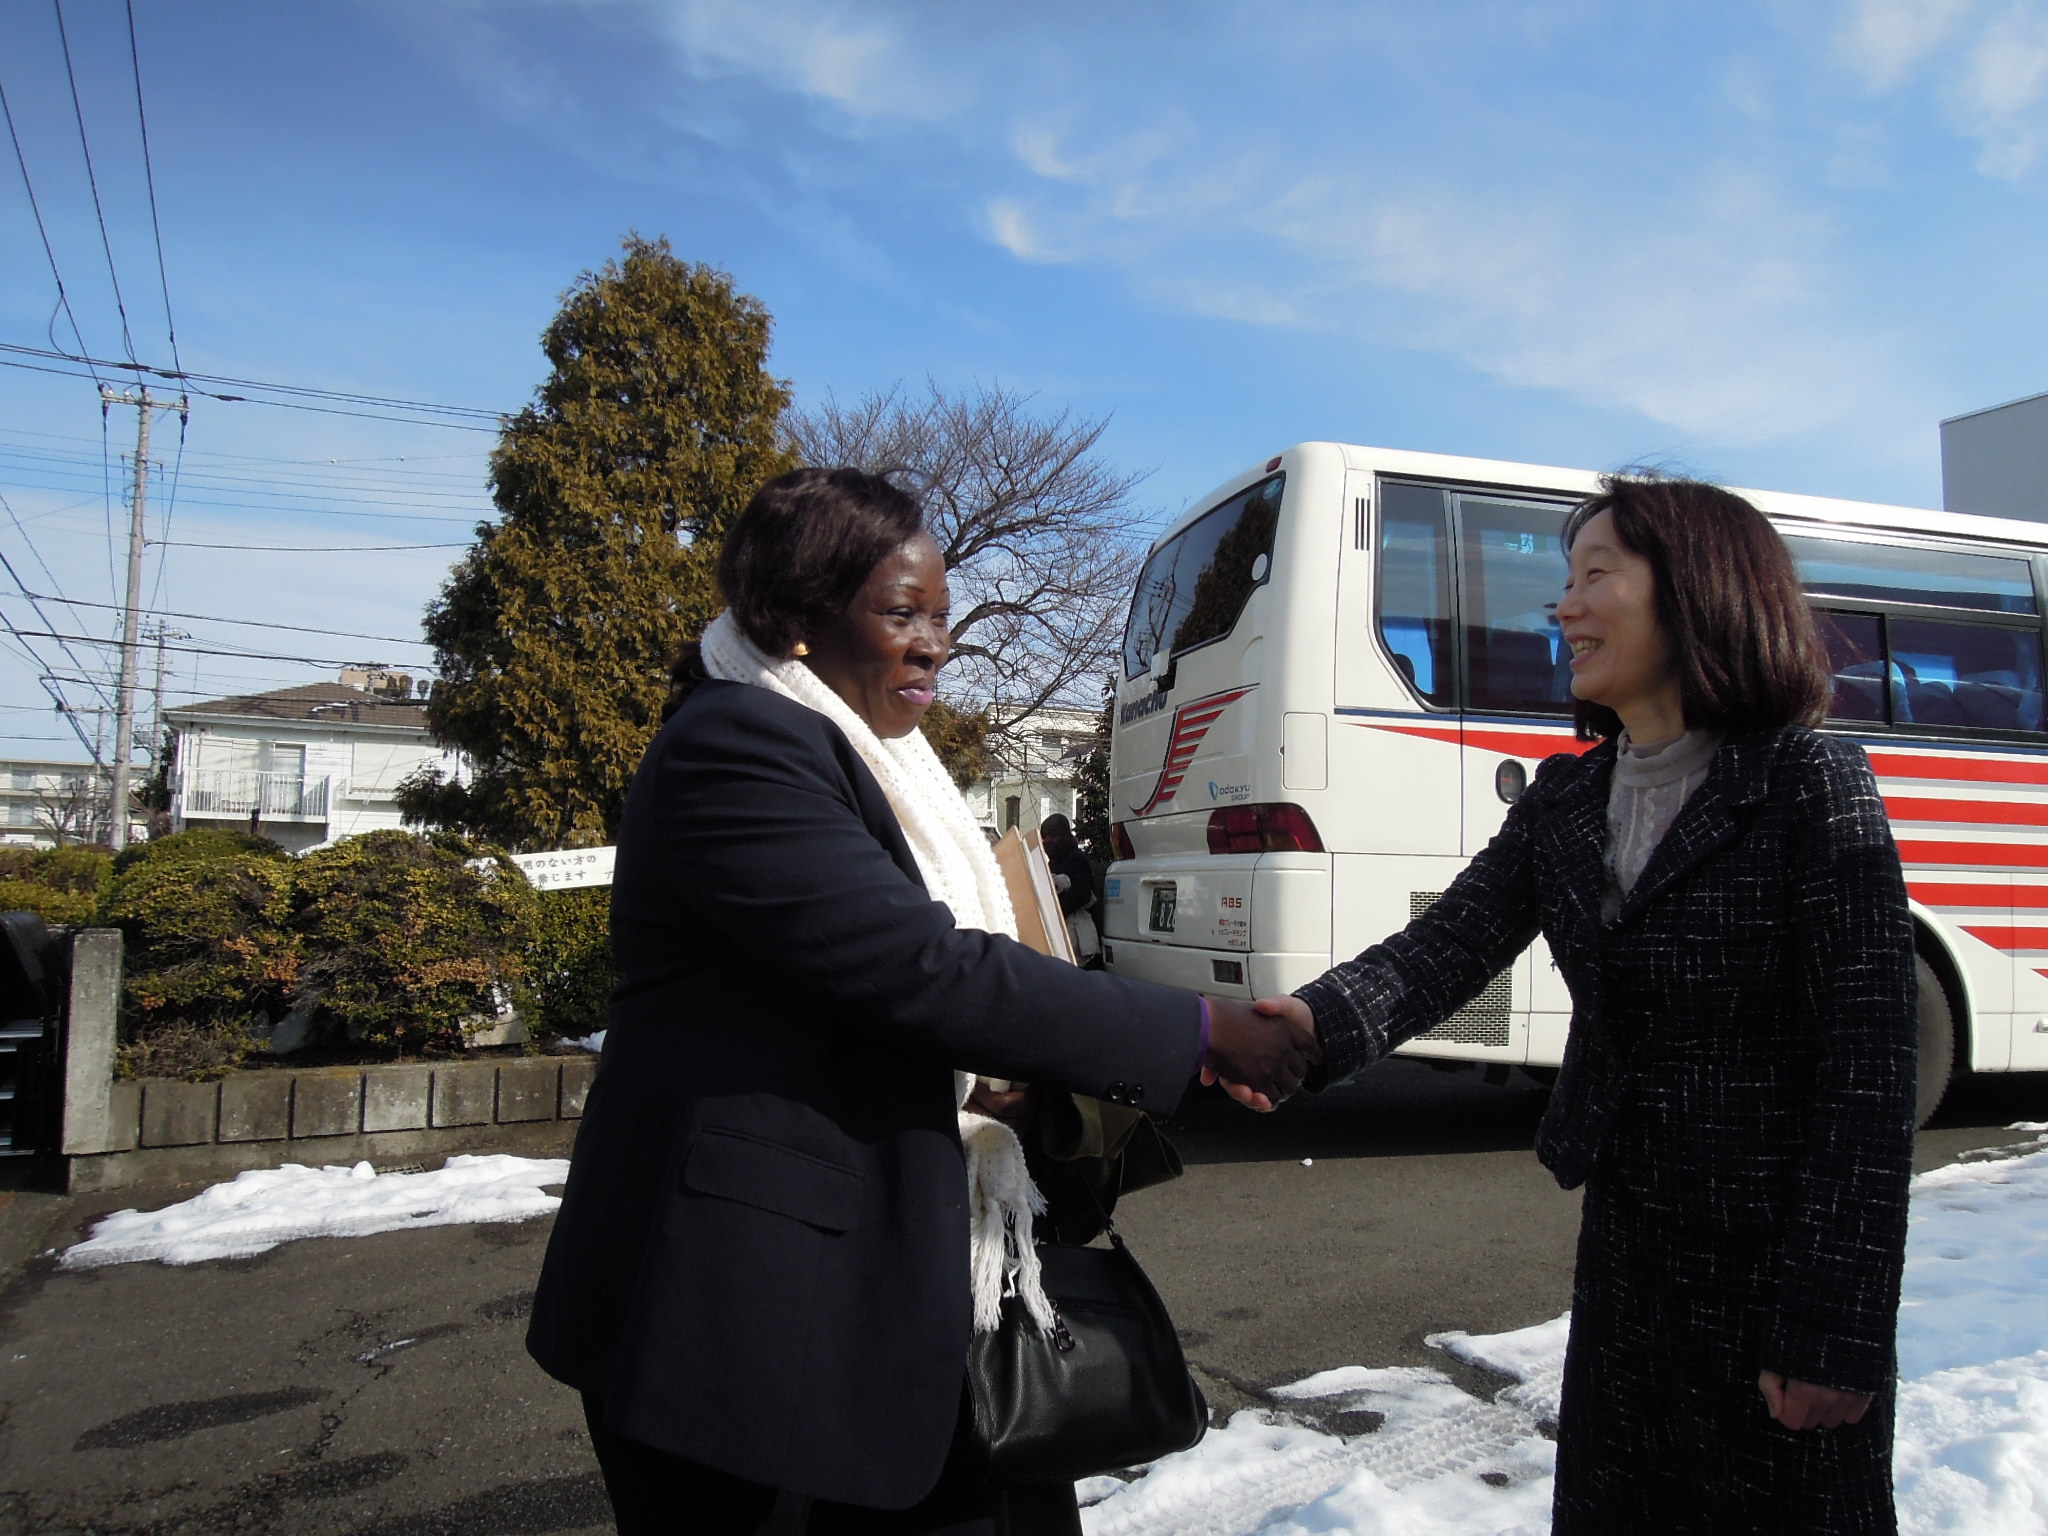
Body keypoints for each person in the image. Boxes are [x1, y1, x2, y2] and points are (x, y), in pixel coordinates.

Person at [526, 466, 1318, 1536]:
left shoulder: (878, 761)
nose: (934, 642)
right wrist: (1197, 1028)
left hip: (892, 1292)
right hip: (740, 1323)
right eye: (900, 613)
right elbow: (923, 971)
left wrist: (1014, 1090)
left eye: (940, 616)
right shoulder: (736, 747)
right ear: (795, 619)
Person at [1257, 474, 1916, 1533]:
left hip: (1772, 1280)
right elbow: (1448, 944)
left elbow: (1869, 1074)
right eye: (1563, 581)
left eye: (1594, 575)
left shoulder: (1806, 784)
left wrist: (1831, 1327)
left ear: (1698, 590)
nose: (1561, 606)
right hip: (1627, 1260)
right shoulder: (1567, 797)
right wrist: (1306, 1028)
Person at [1037, 813, 1101, 967]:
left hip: (1080, 943)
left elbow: (1082, 894)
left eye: (1052, 835)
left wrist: (1055, 912)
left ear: (1066, 835)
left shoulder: (1077, 859)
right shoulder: (1053, 863)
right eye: (1044, 836)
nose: (1047, 841)